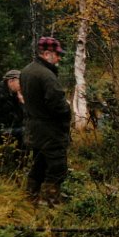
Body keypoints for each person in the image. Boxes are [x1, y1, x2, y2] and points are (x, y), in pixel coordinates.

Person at [20, 36, 72, 207]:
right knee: (57, 167)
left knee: (39, 164)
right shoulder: (47, 75)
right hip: (50, 130)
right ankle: (51, 202)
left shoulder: (27, 70)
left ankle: (31, 197)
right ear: (47, 53)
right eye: (57, 54)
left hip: (33, 129)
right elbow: (57, 105)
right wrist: (67, 111)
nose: (59, 58)